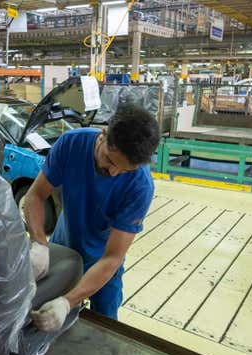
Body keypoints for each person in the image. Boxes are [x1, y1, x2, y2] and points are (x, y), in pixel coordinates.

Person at [27, 104, 160, 332]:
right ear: (103, 135)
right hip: (63, 245)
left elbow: (113, 257)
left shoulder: (140, 186)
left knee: (105, 326)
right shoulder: (71, 144)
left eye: (124, 170)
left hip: (103, 260)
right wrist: (39, 242)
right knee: (43, 315)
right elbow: (36, 196)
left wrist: (68, 302)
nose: (113, 173)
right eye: (109, 161)